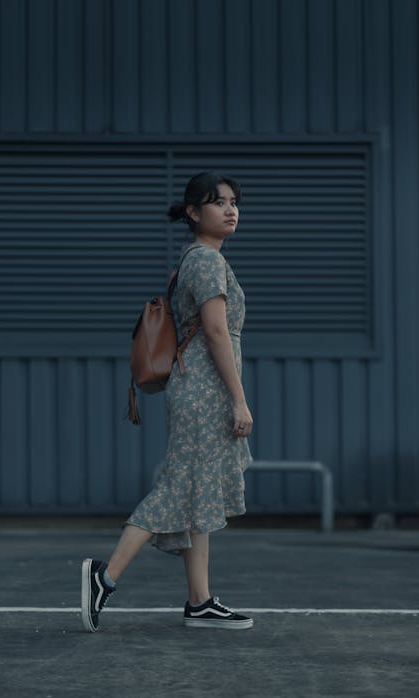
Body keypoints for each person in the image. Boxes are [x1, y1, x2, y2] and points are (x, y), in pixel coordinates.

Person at [81, 172, 254, 632]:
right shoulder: (206, 261)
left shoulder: (196, 260)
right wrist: (239, 400)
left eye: (235, 202)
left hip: (198, 386)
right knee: (180, 487)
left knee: (197, 489)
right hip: (204, 390)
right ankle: (105, 575)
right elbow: (216, 332)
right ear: (194, 213)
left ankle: (199, 601)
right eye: (218, 203)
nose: (231, 209)